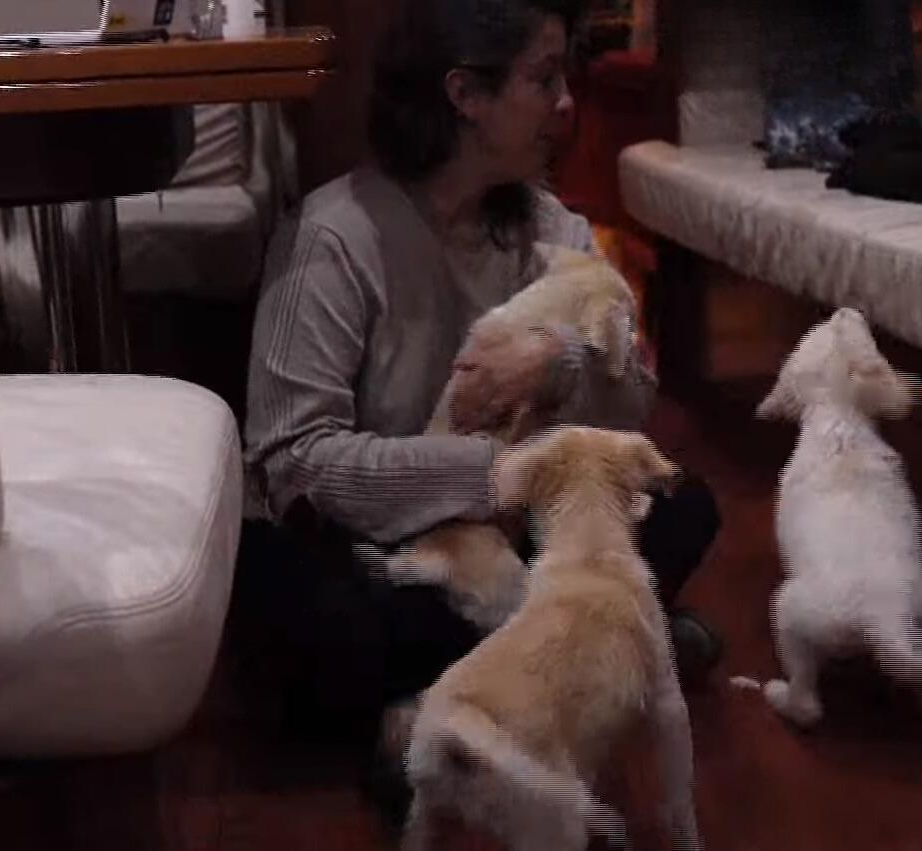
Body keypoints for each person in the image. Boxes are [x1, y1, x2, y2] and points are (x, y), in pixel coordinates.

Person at [232, 0, 721, 758]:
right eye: (543, 77)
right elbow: (296, 458)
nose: (565, 102)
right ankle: (591, 653)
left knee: (684, 504)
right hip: (381, 550)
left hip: (513, 542)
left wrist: (562, 360)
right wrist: (496, 473)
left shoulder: (553, 229)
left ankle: (453, 700)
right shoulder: (333, 236)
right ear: (464, 95)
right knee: (303, 609)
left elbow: (637, 400)